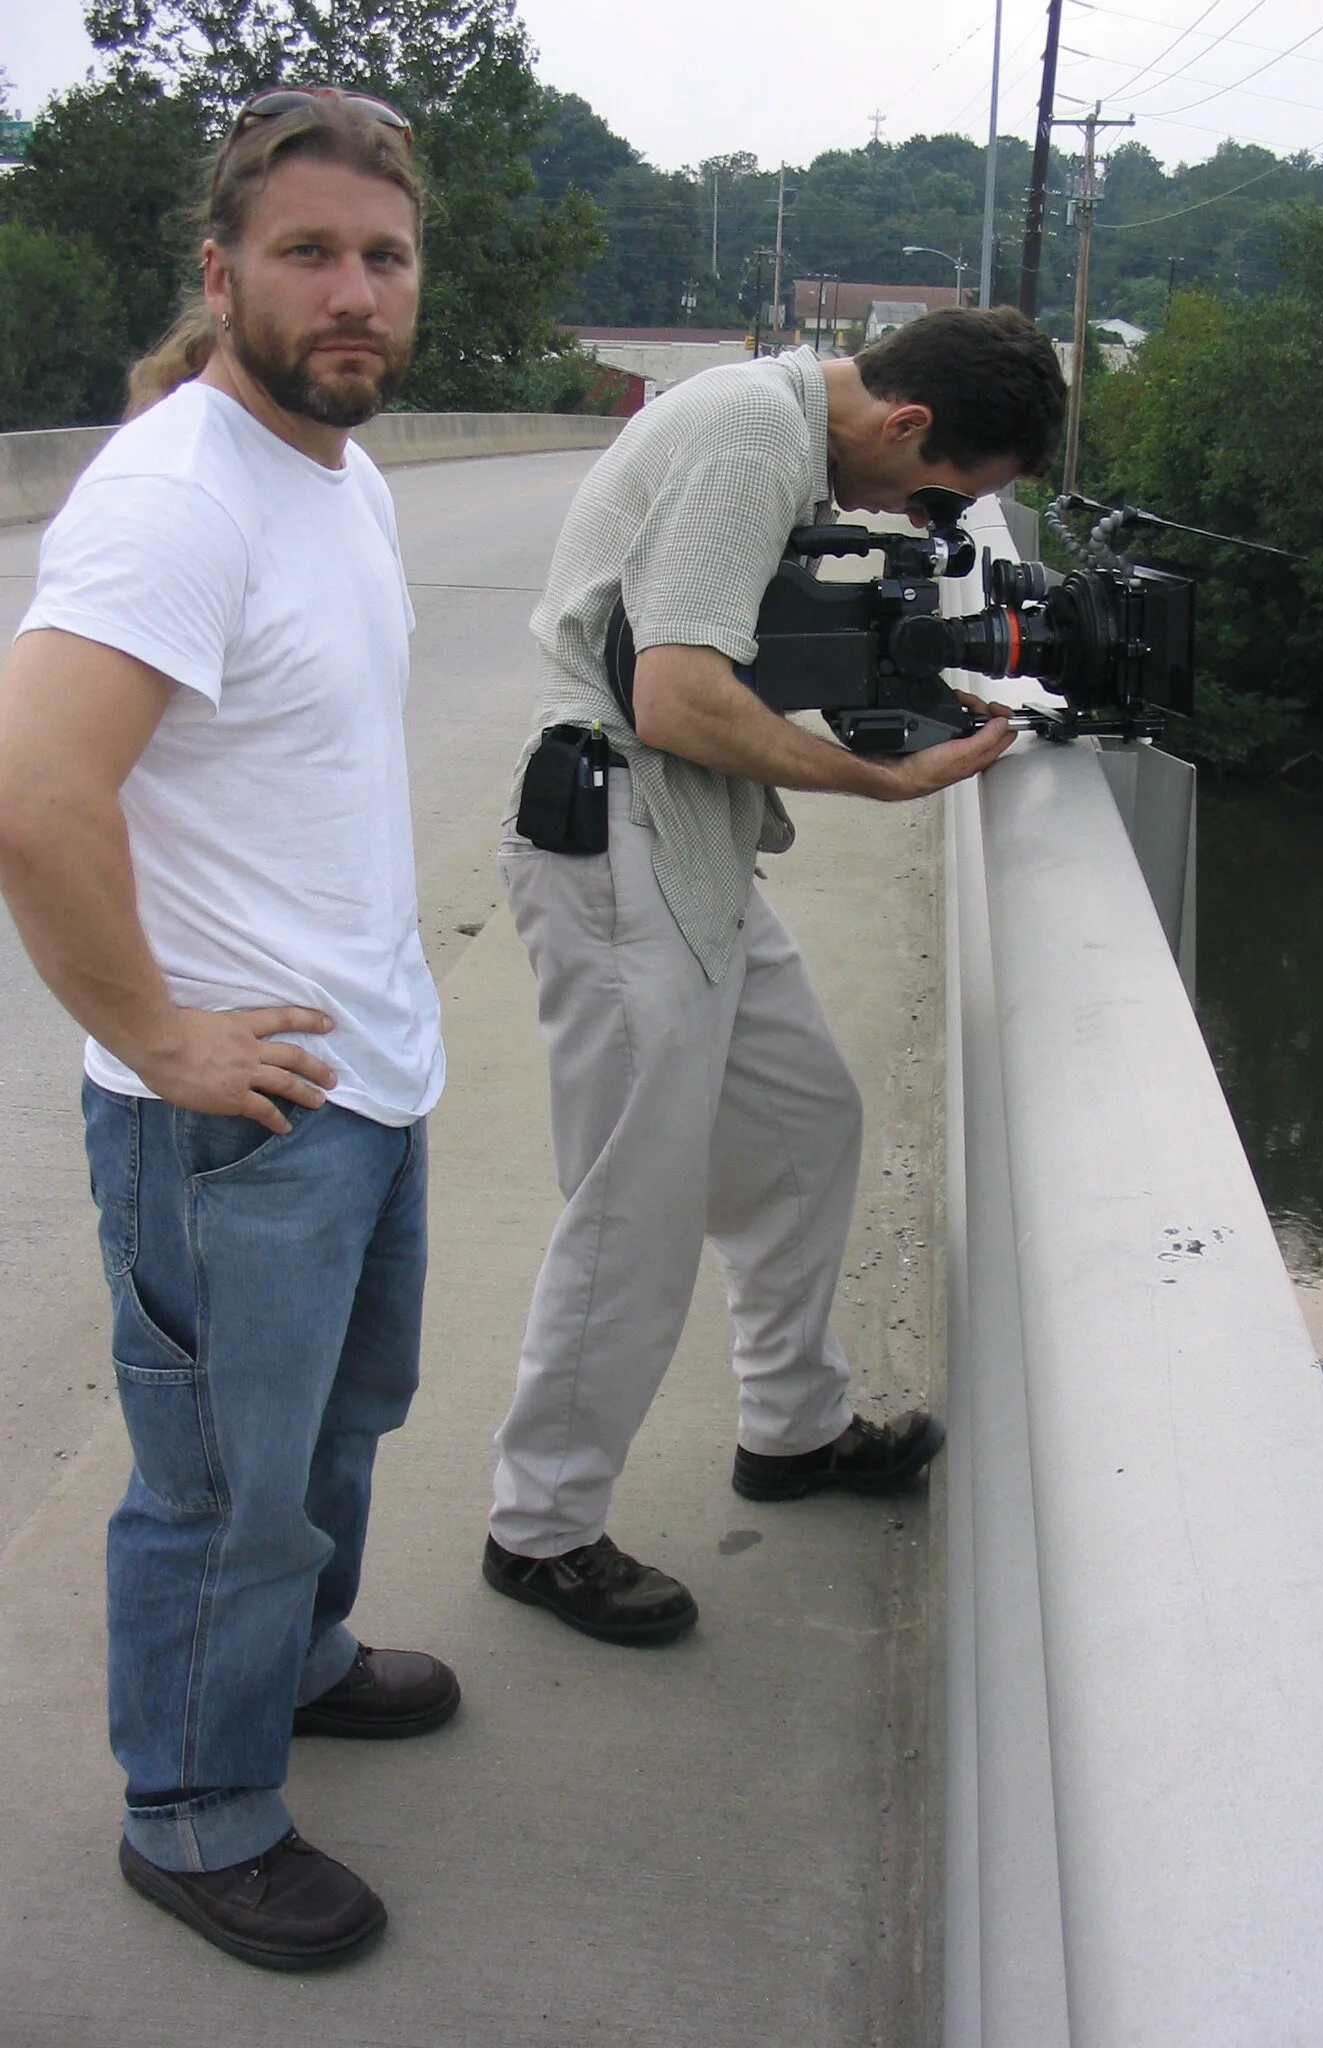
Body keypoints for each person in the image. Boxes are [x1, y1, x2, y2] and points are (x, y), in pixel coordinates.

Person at [0, 88, 456, 1972]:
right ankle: (194, 1813)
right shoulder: (179, 491)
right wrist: (163, 1039)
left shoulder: (336, 471)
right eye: (309, 254)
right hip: (234, 1118)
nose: (352, 291)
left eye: (384, 256)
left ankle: (306, 1657)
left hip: (361, 1072)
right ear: (222, 274)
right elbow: (34, 793)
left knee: (344, 1425)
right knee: (221, 1484)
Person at [482, 306, 1067, 1646]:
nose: (924, 520)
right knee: (635, 1206)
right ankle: (542, 1529)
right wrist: (885, 777)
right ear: (907, 424)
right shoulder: (752, 431)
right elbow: (678, 697)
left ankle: (792, 1431)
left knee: (805, 1125)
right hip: (622, 838)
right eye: (940, 495)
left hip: (692, 842)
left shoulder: (793, 439)